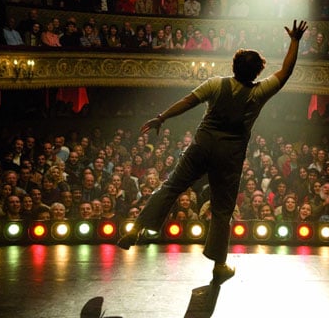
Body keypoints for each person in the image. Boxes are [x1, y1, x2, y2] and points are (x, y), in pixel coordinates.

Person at [117, 19, 308, 284]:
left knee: (171, 187)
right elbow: (286, 71)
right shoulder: (259, 92)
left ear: (234, 66)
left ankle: (137, 229)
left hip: (202, 146)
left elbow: (187, 102)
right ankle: (219, 266)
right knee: (221, 210)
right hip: (229, 156)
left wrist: (162, 117)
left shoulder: (216, 84)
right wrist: (295, 41)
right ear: (256, 73)